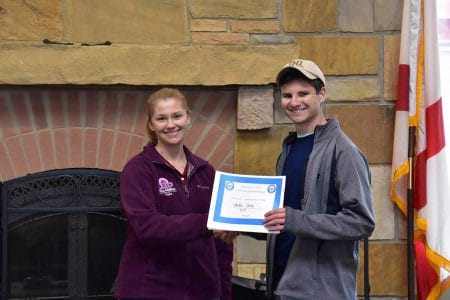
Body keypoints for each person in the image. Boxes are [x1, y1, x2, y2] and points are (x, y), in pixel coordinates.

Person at [263, 59, 375, 300]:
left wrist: (295, 219)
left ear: (321, 94)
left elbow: (361, 223)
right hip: (283, 285)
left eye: (303, 93)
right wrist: (241, 224)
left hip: (322, 291)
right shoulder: (289, 149)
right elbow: (287, 220)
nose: (294, 102)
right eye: (287, 95)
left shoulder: (344, 152)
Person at [115, 88, 233, 300]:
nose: (171, 125)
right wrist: (208, 223)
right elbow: (147, 227)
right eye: (161, 118)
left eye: (177, 116)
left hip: (203, 290)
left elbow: (222, 243)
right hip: (150, 290)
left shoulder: (206, 171)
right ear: (151, 124)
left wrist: (223, 290)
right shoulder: (138, 170)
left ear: (188, 117)